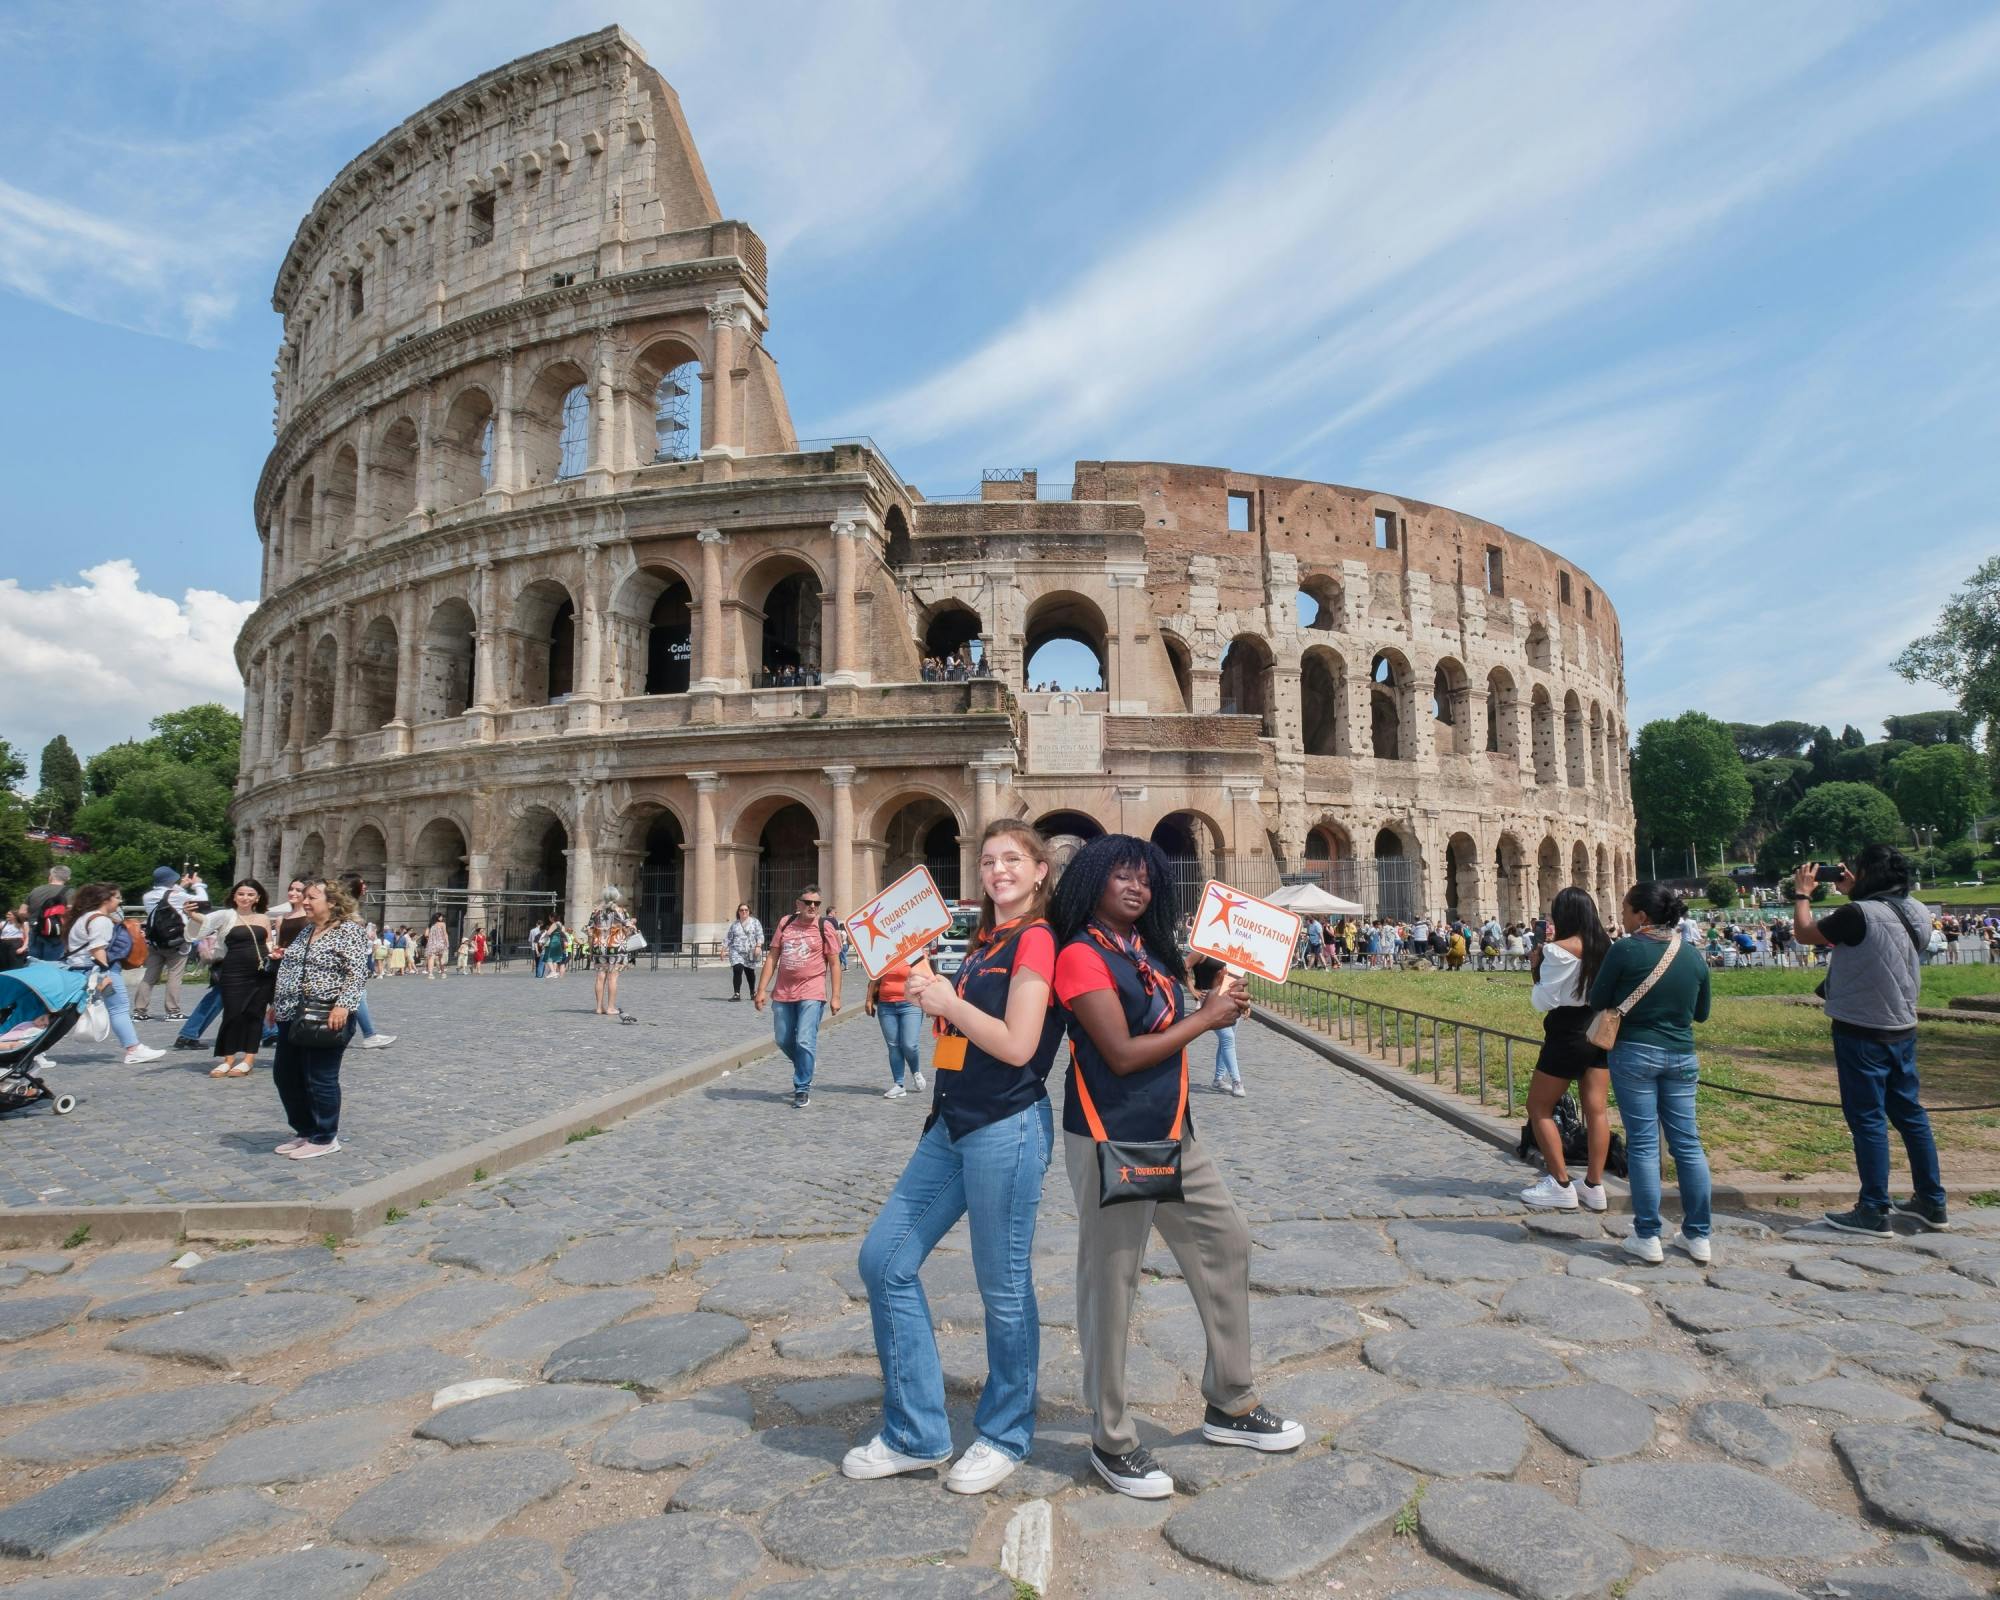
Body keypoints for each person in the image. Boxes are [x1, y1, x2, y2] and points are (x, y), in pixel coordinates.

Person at [1050, 835, 1303, 1499]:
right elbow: (1124, 1052)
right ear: (1093, 882)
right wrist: (1208, 1019)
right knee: (1113, 1286)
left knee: (1227, 1240)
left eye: (1146, 878)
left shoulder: (1144, 949)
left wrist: (1214, 992)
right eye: (1122, 877)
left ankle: (1231, 1399)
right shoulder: (1079, 955)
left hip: (1171, 1131)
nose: (1137, 887)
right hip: (1112, 1135)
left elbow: (1166, 1014)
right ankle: (1111, 1438)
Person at [845, 821, 1063, 1496]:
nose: (998, 870)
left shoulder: (1036, 940)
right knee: (884, 1259)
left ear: (1038, 872)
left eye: (1012, 860)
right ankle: (918, 1433)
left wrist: (949, 1001)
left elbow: (1021, 1045)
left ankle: (1004, 1433)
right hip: (955, 1122)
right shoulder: (984, 940)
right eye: (989, 860)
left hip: (1009, 1125)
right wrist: (937, 1012)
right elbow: (962, 1039)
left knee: (1001, 1289)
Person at [1793, 847, 1948, 1236]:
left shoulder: (1857, 913)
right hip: (1903, 1022)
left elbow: (1803, 933)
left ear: (1868, 874)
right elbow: (1881, 930)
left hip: (1860, 1026)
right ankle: (1932, 1201)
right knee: (1911, 1114)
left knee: (1867, 1118)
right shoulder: (1917, 909)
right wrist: (1857, 893)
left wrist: (1802, 895)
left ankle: (1874, 1208)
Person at [1590, 882, 1714, 1265]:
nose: (1622, 917)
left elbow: (1598, 1000)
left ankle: (1647, 1235)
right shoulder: (1692, 956)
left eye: (1626, 910)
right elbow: (1702, 1013)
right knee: (1688, 1144)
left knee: (1643, 1144)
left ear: (1641, 916)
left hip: (1634, 1053)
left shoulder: (1625, 949)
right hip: (1681, 1054)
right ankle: (1698, 1235)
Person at [1520, 888, 1613, 1213]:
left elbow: (1543, 1001)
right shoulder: (1606, 947)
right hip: (1598, 1030)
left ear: (1564, 916)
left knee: (1539, 1107)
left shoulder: (1557, 951)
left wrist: (1536, 968)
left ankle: (1560, 1183)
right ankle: (1593, 1185)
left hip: (1567, 1033)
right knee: (1597, 1110)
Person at [270, 878, 370, 1159]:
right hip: (292, 1012)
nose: (305, 901)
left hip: (326, 1013)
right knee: (286, 1075)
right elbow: (290, 969)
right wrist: (274, 1003)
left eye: (311, 897)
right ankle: (304, 1130)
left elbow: (357, 972)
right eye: (305, 897)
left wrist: (344, 1006)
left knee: (320, 1077)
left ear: (333, 902)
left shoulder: (349, 931)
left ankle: (325, 1136)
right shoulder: (307, 931)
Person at [754, 885, 843, 1108]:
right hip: (783, 992)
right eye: (808, 902)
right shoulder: (785, 923)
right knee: (783, 1039)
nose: (813, 906)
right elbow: (773, 957)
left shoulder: (825, 927)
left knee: (804, 1040)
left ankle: (801, 1087)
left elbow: (834, 963)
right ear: (798, 904)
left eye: (817, 903)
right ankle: (806, 1063)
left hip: (812, 991)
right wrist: (761, 989)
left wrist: (836, 996)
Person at [63, 882, 164, 1064]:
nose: (120, 901)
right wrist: (104, 973)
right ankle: (133, 1048)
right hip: (99, 969)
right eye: (117, 897)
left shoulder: (83, 917)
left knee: (67, 1012)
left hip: (81, 969)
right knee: (119, 1009)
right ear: (105, 899)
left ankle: (34, 1049)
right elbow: (97, 949)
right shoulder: (100, 920)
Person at [206, 878, 274, 1079]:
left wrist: (274, 956)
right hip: (234, 970)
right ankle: (228, 1058)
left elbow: (268, 942)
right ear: (234, 896)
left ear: (257, 898)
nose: (245, 898)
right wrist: (192, 914)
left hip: (260, 972)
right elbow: (202, 927)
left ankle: (248, 1059)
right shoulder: (226, 917)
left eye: (250, 894)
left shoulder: (263, 918)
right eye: (241, 894)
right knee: (232, 1013)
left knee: (254, 1013)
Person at [131, 866, 192, 1021]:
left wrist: (179, 886)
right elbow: (199, 900)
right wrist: (197, 885)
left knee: (149, 976)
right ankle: (173, 1011)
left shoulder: (147, 896)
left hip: (155, 940)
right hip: (176, 941)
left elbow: (168, 894)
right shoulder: (178, 895)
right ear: (171, 880)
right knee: (175, 975)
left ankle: (139, 1011)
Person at [865, 952, 924, 1099]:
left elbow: (925, 976)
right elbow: (874, 976)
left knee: (909, 1044)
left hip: (911, 1004)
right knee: (893, 1045)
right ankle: (899, 1084)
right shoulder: (882, 950)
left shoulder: (915, 950)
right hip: (886, 1005)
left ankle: (915, 1071)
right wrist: (869, 999)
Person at [1193, 956, 1244, 1097]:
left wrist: (1246, 1000)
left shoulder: (1239, 951)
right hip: (1211, 1000)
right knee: (1228, 1038)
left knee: (1227, 1040)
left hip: (1231, 999)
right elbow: (1184, 967)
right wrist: (1193, 990)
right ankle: (1236, 1081)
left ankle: (1218, 1079)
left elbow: (1239, 977)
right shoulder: (1205, 949)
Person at [588, 890, 638, 1017]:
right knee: (612, 977)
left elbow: (589, 930)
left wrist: (590, 949)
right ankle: (610, 1007)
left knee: (600, 977)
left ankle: (599, 1007)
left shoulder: (596, 912)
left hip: (599, 947)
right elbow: (629, 930)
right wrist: (632, 923)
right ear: (616, 897)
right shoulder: (621, 911)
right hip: (616, 946)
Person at [25, 864, 69, 963]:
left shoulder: (36, 890)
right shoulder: (70, 892)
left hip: (35, 931)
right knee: (52, 965)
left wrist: (36, 918)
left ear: (51, 876)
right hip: (56, 934)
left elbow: (22, 912)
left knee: (33, 964)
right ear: (68, 878)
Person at [724, 903, 763, 1001]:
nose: (744, 912)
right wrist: (723, 949)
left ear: (749, 911)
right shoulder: (735, 924)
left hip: (750, 951)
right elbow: (729, 937)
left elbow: (760, 935)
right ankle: (737, 994)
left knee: (750, 972)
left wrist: (758, 946)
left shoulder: (755, 922)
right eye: (741, 910)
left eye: (746, 910)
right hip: (736, 951)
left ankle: (752, 992)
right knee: (737, 969)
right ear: (738, 912)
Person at [1, 904, 28, 970]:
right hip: (3, 944)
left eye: (9, 915)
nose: (7, 916)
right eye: (7, 914)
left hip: (15, 944)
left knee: (16, 965)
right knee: (2, 965)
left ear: (15, 916)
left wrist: (23, 947)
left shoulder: (23, 924)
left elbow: (27, 937)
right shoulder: (3, 923)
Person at [424, 913, 450, 979]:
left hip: (432, 943)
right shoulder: (442, 924)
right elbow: (445, 933)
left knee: (431, 958)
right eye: (441, 917)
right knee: (441, 958)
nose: (442, 918)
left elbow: (426, 934)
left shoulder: (430, 925)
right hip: (440, 943)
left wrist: (430, 939)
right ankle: (443, 973)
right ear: (438, 918)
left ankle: (430, 974)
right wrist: (447, 942)